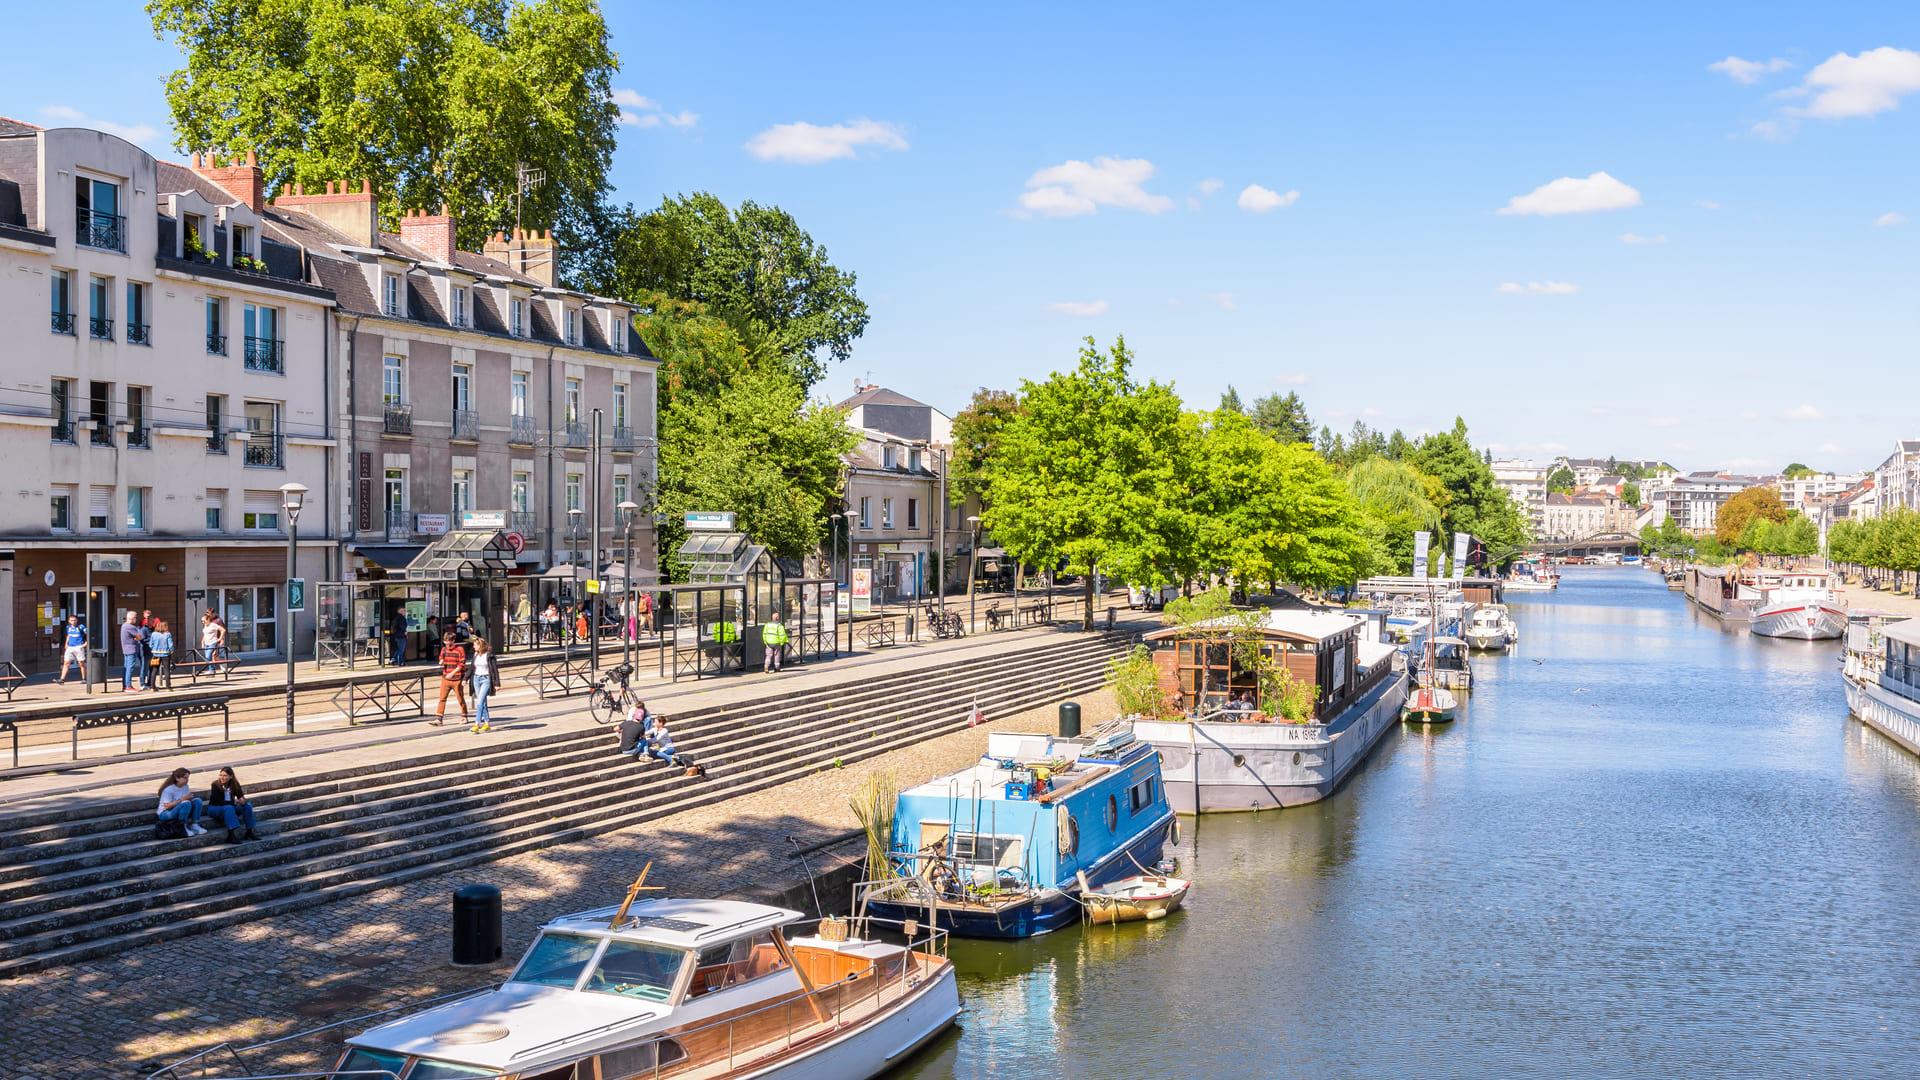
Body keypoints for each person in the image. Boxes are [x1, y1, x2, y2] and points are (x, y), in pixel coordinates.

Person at [204, 766, 257, 843]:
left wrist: (243, 801)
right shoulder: (215, 785)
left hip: (230, 807)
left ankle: (249, 831)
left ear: (231, 776)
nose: (222, 777)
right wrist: (235, 802)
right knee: (229, 807)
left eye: (225, 776)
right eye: (221, 775)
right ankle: (231, 835)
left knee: (247, 806)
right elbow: (219, 801)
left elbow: (240, 796)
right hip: (215, 808)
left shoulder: (235, 784)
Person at [431, 634, 470, 725]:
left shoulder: (460, 650)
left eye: (448, 641)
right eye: (445, 641)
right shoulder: (444, 649)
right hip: (445, 678)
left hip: (457, 678)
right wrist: (441, 662)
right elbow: (441, 658)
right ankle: (439, 718)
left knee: (460, 698)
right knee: (442, 698)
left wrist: (452, 673)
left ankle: (464, 715)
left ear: (453, 641)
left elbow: (461, 664)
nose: (447, 643)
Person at [157, 767, 207, 836]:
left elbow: (186, 801)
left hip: (179, 809)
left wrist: (189, 799)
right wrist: (182, 799)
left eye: (187, 778)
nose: (187, 780)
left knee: (197, 801)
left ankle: (195, 825)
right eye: (185, 778)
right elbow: (167, 806)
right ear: (177, 778)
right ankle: (183, 827)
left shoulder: (185, 786)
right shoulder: (168, 790)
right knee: (186, 803)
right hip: (165, 813)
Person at [469, 638, 497, 734]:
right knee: (483, 702)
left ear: (480, 645)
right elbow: (471, 668)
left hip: (486, 679)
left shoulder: (489, 655)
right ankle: (487, 723)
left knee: (480, 702)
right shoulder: (476, 655)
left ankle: (476, 724)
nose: (474, 647)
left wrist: (497, 684)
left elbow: (495, 670)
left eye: (475, 645)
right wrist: (465, 678)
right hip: (476, 679)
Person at [119, 611, 144, 692]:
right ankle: (128, 686)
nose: (136, 619)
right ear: (132, 618)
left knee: (126, 668)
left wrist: (135, 637)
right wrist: (136, 637)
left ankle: (125, 685)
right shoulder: (130, 627)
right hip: (131, 649)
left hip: (125, 649)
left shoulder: (124, 626)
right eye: (135, 617)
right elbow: (140, 637)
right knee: (130, 668)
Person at [58, 614, 87, 683]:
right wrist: (66, 644)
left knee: (81, 663)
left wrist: (86, 643)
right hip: (70, 647)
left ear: (77, 620)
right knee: (66, 663)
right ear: (69, 621)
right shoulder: (68, 627)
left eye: (74, 620)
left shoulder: (81, 627)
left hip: (79, 647)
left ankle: (84, 678)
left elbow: (88, 634)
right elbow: (68, 635)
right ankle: (62, 679)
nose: (73, 622)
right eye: (71, 620)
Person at [148, 619, 175, 691]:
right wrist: (171, 651)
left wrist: (154, 649)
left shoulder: (153, 634)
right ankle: (168, 687)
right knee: (166, 670)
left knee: (154, 670)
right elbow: (171, 645)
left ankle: (152, 687)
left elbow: (150, 644)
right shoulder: (167, 634)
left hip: (155, 654)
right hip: (165, 653)